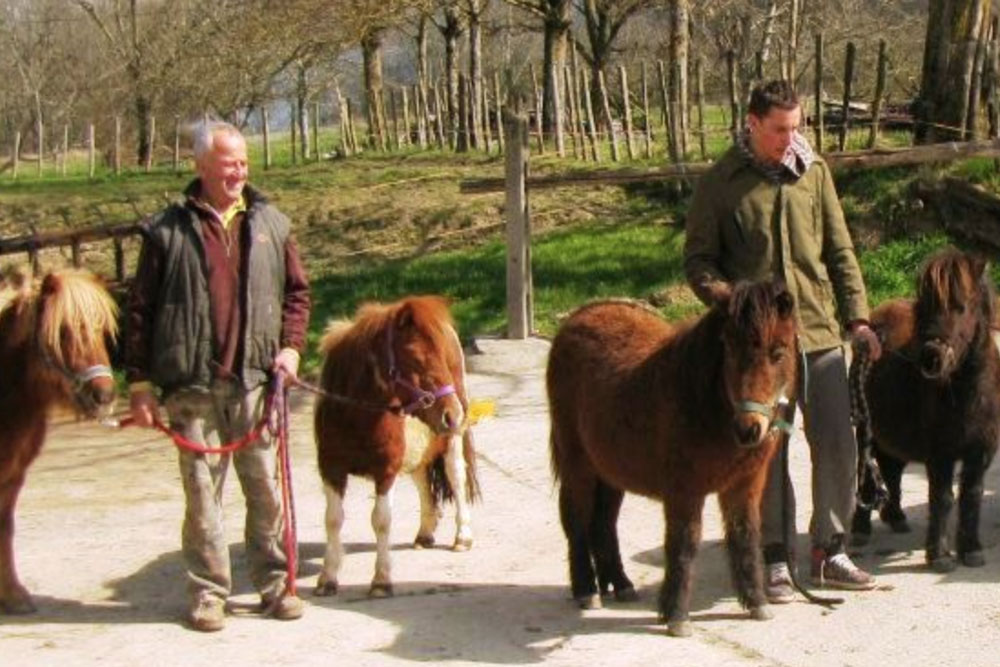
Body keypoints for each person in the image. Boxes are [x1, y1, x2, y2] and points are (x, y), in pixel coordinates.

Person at [683, 80, 882, 603]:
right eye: (778, 130)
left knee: (839, 441)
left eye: (796, 127)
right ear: (752, 123)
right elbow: (698, 261)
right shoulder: (721, 182)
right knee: (768, 451)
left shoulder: (813, 173)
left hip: (815, 335)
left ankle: (830, 548)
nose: (788, 139)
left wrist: (858, 319)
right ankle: (773, 556)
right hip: (759, 353)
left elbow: (840, 252)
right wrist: (731, 301)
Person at [124, 121, 311, 631]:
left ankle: (275, 584)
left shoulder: (272, 222)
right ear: (201, 166)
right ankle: (209, 593)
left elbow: (297, 295)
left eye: (244, 163)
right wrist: (139, 384)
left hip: (255, 380)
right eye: (229, 163)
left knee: (265, 491)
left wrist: (292, 350)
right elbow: (139, 310)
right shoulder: (166, 231)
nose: (239, 171)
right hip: (191, 387)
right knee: (203, 497)